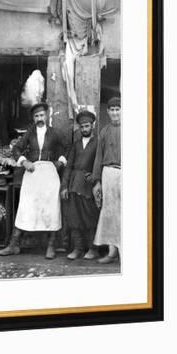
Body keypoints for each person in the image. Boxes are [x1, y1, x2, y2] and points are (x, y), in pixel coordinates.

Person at [0, 102, 67, 259]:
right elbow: (16, 149)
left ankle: (51, 246)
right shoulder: (30, 133)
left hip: (49, 174)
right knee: (25, 207)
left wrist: (60, 162)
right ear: (33, 118)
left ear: (47, 116)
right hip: (33, 173)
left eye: (42, 115)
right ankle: (14, 245)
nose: (40, 118)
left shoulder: (55, 133)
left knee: (51, 209)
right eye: (36, 116)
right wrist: (24, 161)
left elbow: (67, 148)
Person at [60, 110, 100, 260]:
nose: (84, 129)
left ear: (93, 126)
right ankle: (78, 249)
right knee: (74, 218)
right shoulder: (76, 145)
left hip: (88, 186)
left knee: (90, 217)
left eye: (87, 126)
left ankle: (93, 249)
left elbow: (100, 163)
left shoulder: (98, 142)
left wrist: (95, 176)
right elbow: (68, 166)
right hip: (73, 185)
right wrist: (64, 186)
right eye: (82, 126)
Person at [91, 97, 122, 264]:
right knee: (109, 212)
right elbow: (98, 157)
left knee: (127, 212)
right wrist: (97, 182)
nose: (115, 113)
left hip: (126, 173)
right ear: (108, 112)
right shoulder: (104, 131)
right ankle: (112, 252)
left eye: (118, 109)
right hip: (108, 173)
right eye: (112, 110)